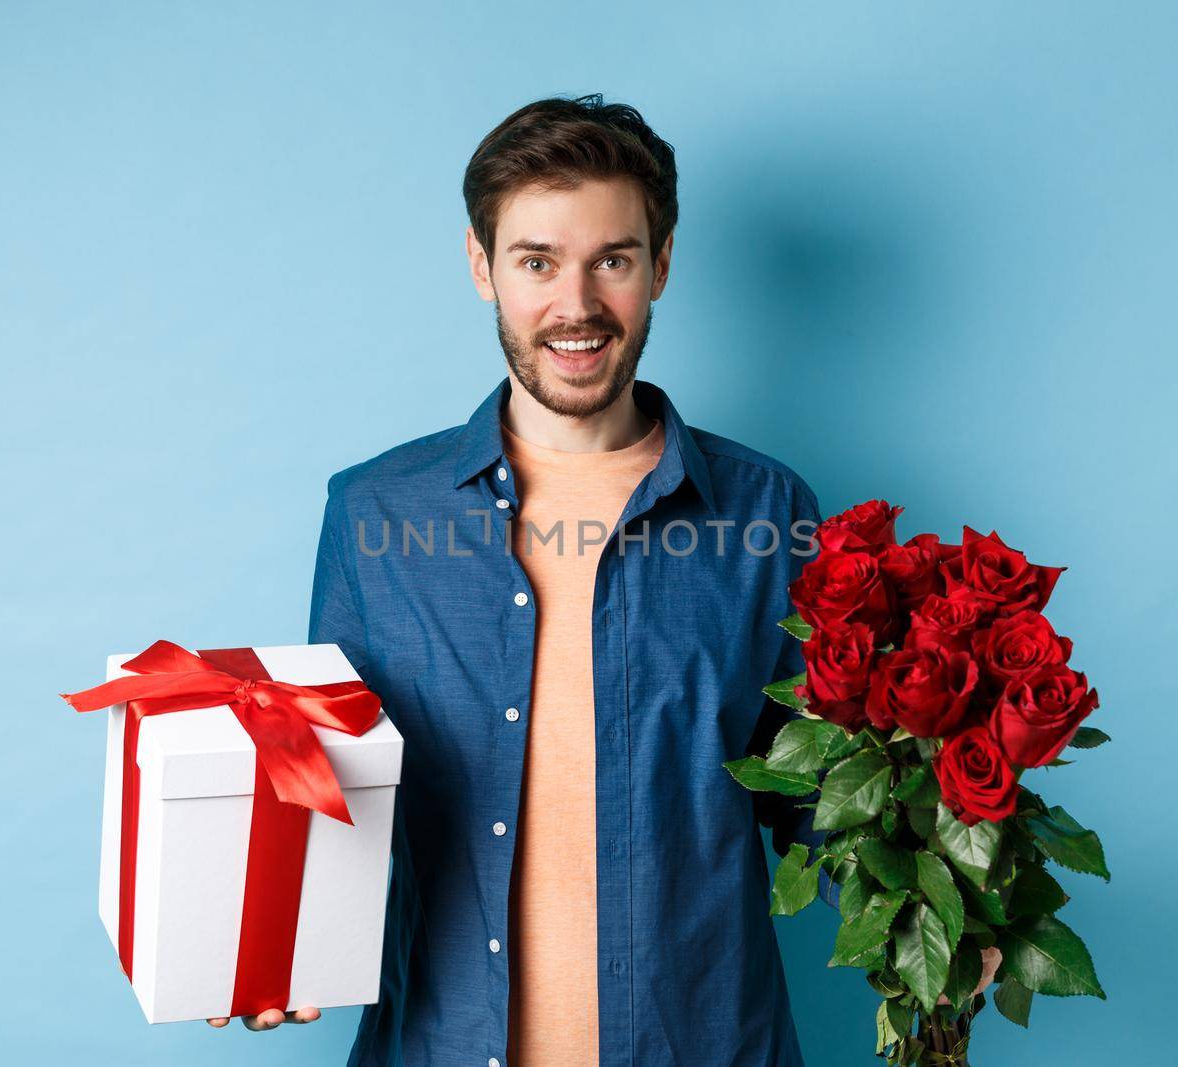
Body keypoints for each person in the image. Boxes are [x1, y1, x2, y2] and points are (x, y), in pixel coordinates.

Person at [213, 93, 826, 1066]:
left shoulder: (767, 513)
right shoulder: (377, 514)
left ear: (660, 266)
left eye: (611, 261)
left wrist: (945, 904)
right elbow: (327, 778)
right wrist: (265, 943)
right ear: (480, 265)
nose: (574, 305)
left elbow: (815, 787)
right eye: (536, 261)